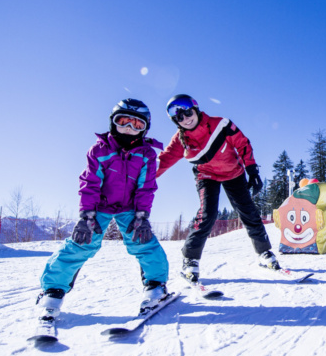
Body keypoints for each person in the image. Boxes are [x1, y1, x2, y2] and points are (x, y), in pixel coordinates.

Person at [35, 99, 170, 323]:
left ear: (145, 128)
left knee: (143, 242)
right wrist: (87, 215)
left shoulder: (146, 153)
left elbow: (146, 186)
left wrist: (142, 216)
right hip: (100, 206)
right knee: (82, 243)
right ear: (112, 122)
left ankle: (156, 286)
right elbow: (90, 183)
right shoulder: (99, 150)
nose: (129, 128)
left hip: (130, 207)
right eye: (123, 121)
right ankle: (52, 291)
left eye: (137, 124)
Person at [157, 94, 278, 283]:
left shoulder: (220, 125)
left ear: (196, 110)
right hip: (206, 175)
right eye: (179, 118)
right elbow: (162, 162)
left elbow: (242, 143)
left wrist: (252, 170)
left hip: (233, 172)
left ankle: (264, 252)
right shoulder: (180, 141)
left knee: (247, 210)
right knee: (207, 214)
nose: (186, 119)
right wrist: (139, 180)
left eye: (188, 113)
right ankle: (190, 259)